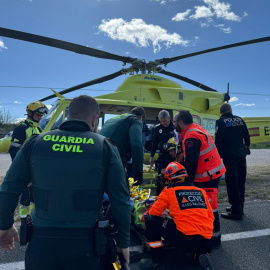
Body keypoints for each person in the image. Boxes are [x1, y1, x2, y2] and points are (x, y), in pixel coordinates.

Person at [0, 95, 131, 270]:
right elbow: (121, 200)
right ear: (95, 120)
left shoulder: (35, 143)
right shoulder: (105, 147)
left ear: (68, 115)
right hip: (87, 248)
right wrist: (123, 242)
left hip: (41, 246)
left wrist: (5, 225)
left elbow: (9, 188)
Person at [140, 162, 214, 270]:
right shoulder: (200, 191)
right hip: (207, 242)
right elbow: (210, 217)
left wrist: (166, 215)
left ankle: (156, 261)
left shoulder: (169, 191)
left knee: (150, 220)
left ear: (169, 179)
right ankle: (200, 254)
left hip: (184, 241)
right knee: (193, 233)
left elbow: (153, 212)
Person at [173, 110, 226, 247]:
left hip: (208, 175)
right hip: (212, 171)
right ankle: (207, 233)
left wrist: (187, 181)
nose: (174, 124)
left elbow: (191, 162)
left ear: (181, 122)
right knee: (206, 205)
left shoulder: (191, 136)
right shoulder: (195, 129)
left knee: (209, 206)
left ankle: (214, 238)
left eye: (175, 121)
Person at [9, 101, 48, 217]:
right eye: (38, 115)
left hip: (36, 170)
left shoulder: (39, 130)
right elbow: (14, 151)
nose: (40, 118)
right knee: (26, 197)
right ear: (29, 113)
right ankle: (24, 219)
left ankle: (34, 218)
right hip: (26, 170)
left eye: (41, 116)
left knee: (35, 196)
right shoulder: (21, 129)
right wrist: (24, 172)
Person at [215, 103, 250, 220]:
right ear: (230, 110)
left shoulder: (220, 122)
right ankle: (240, 207)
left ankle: (236, 211)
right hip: (241, 154)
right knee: (241, 181)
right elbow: (247, 136)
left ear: (221, 112)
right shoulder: (240, 120)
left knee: (232, 182)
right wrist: (246, 147)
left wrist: (220, 155)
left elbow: (218, 139)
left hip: (230, 155)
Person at [99, 107, 145, 185]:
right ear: (141, 117)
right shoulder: (135, 120)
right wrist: (139, 171)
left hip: (98, 156)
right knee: (121, 190)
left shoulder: (113, 119)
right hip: (112, 157)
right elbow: (136, 145)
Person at [149, 110, 175, 194]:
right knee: (161, 177)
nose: (163, 123)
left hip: (173, 156)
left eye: (165, 121)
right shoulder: (158, 128)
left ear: (169, 118)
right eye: (161, 121)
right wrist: (151, 156)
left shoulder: (175, 127)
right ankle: (159, 195)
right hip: (163, 156)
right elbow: (155, 143)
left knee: (173, 176)